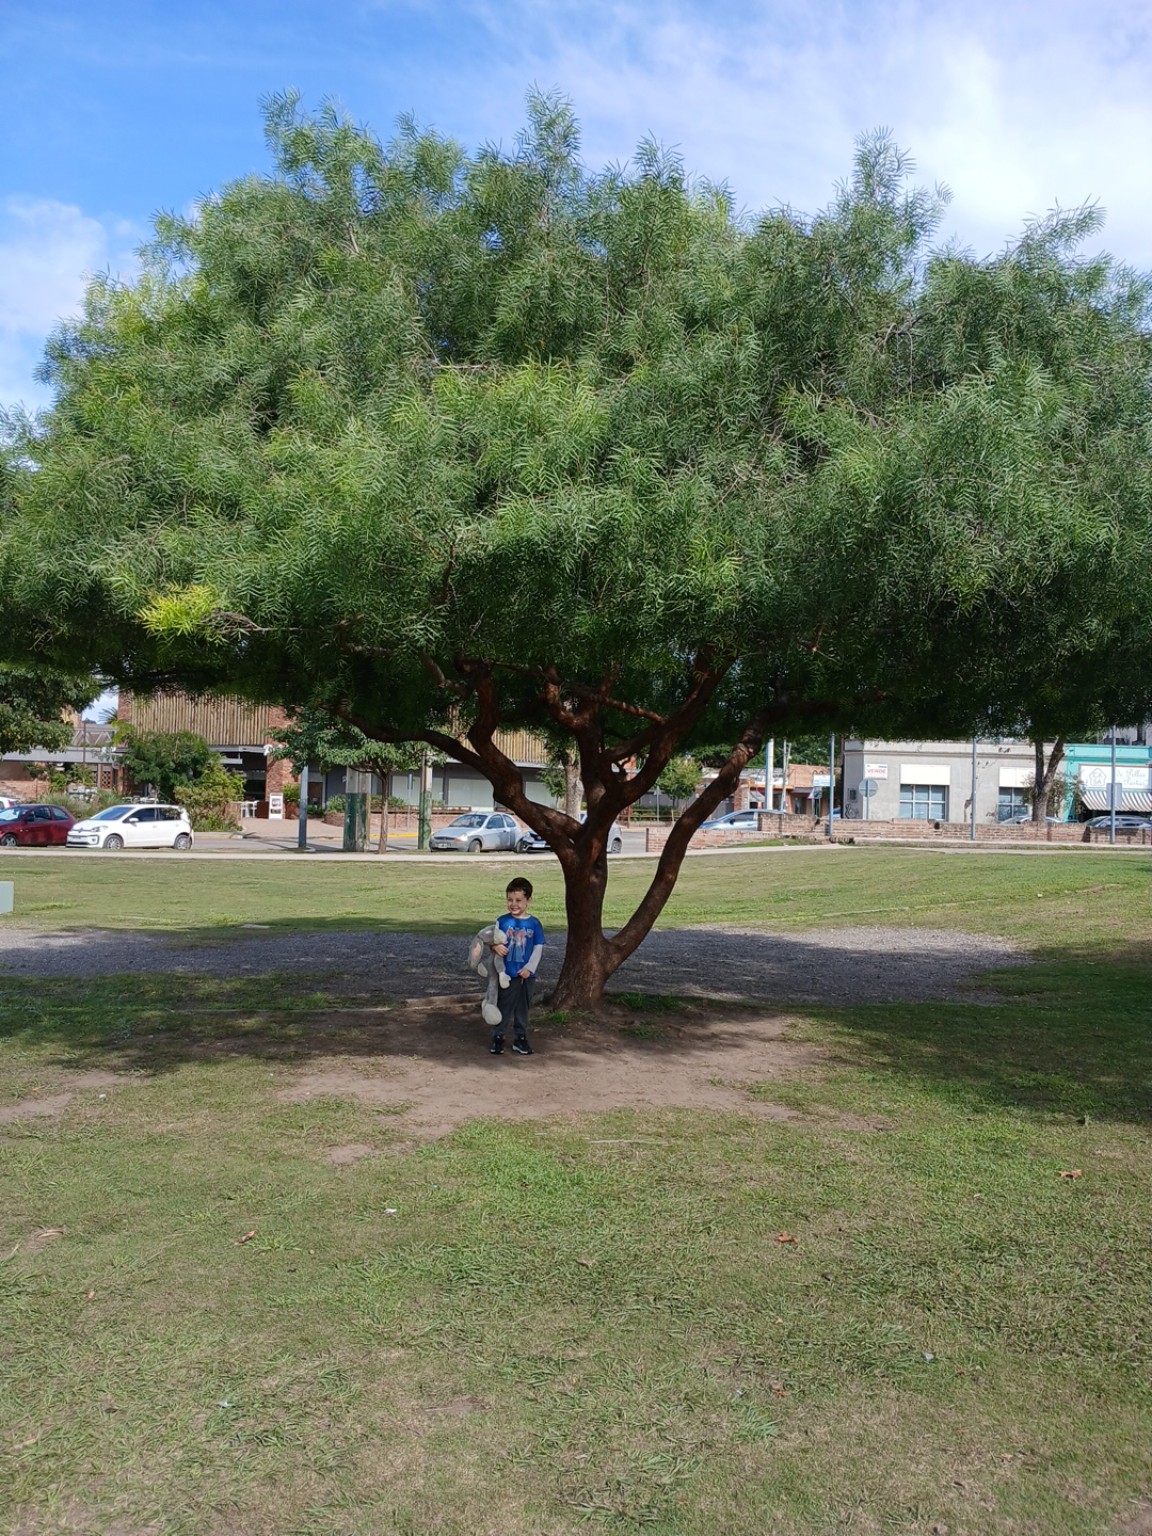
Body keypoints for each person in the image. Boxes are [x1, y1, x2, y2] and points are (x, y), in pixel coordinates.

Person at [488, 876, 545, 1056]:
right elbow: (492, 940)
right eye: (510, 900)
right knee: (504, 1005)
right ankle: (498, 1036)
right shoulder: (502, 921)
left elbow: (538, 947)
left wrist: (530, 968)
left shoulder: (534, 924)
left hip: (526, 974)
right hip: (507, 973)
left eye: (518, 900)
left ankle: (520, 1038)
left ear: (528, 901)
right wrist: (494, 946)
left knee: (523, 1007)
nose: (514, 904)